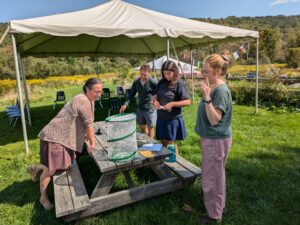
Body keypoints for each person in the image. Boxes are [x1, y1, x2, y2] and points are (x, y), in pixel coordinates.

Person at [26, 78, 103, 210]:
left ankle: (36, 169)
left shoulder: (89, 100)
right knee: (51, 169)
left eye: (101, 91)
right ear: (88, 89)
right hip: (55, 137)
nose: (99, 94)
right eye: (96, 91)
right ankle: (43, 198)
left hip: (61, 138)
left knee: (65, 165)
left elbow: (81, 122)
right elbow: (89, 124)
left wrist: (84, 136)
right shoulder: (83, 100)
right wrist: (92, 144)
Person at [194, 53, 232, 223]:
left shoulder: (221, 91)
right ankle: (216, 205)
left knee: (213, 178)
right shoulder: (214, 86)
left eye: (206, 71)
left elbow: (214, 119)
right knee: (214, 174)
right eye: (202, 70)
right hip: (211, 139)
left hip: (216, 140)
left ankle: (214, 215)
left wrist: (207, 98)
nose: (203, 74)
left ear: (218, 70)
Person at [151, 60, 191, 152]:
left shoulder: (179, 83)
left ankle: (175, 163)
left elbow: (188, 101)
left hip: (172, 119)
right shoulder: (161, 82)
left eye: (169, 73)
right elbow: (155, 95)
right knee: (163, 141)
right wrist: (155, 101)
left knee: (171, 143)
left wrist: (173, 104)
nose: (166, 76)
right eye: (164, 73)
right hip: (161, 118)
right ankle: (166, 161)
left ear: (175, 72)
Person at [119, 64, 157, 139]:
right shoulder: (136, 82)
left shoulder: (153, 82)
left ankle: (151, 143)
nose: (143, 76)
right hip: (140, 107)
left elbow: (159, 92)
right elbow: (131, 94)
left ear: (149, 73)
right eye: (141, 74)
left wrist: (155, 99)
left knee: (150, 127)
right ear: (140, 72)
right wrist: (125, 104)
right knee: (142, 126)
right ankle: (147, 138)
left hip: (150, 108)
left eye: (145, 75)